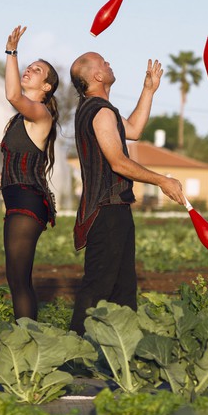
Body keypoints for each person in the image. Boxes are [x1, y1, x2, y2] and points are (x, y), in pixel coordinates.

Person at [69, 52, 186, 334]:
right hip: (106, 210)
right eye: (103, 63)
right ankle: (74, 352)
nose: (109, 63)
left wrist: (148, 91)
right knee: (98, 285)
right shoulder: (100, 111)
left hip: (113, 209)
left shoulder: (98, 109)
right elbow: (118, 161)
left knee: (123, 289)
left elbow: (133, 129)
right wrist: (162, 181)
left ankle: (120, 351)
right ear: (96, 76)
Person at [0, 25, 59, 321]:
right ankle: (26, 336)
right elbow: (16, 167)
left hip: (27, 203)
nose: (28, 71)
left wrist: (11, 52)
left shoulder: (40, 113)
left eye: (36, 70)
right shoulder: (20, 120)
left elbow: (12, 94)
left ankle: (27, 339)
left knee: (19, 281)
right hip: (18, 199)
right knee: (16, 279)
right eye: (28, 67)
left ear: (47, 87)